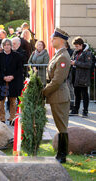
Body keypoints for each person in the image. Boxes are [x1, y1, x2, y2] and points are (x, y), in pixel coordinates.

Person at [43, 28, 71, 163]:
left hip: (59, 95)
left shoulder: (63, 56)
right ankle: (60, 154)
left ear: (60, 41)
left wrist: (43, 92)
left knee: (61, 126)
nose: (51, 40)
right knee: (60, 126)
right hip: (56, 95)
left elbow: (57, 81)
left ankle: (62, 155)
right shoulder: (58, 54)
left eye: (53, 38)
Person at [0, 39, 23, 125]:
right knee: (1, 102)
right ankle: (2, 119)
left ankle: (12, 118)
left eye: (8, 45)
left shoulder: (17, 56)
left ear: (11, 46)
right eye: (5, 45)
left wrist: (12, 76)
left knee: (13, 101)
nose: (7, 46)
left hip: (13, 81)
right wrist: (3, 77)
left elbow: (20, 68)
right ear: (2, 46)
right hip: (2, 81)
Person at [69, 37, 92, 117]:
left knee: (84, 94)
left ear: (81, 45)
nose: (76, 47)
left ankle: (85, 111)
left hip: (83, 77)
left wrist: (76, 63)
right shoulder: (76, 52)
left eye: (77, 46)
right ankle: (76, 110)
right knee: (76, 94)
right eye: (75, 46)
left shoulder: (87, 52)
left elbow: (88, 65)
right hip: (76, 76)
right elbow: (73, 60)